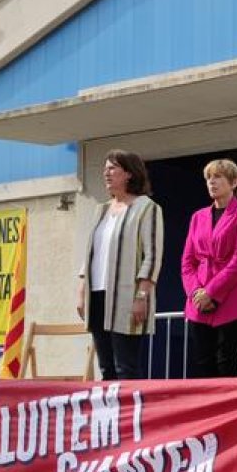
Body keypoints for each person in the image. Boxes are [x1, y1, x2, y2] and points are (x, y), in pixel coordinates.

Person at [77, 149, 164, 380]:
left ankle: (130, 415)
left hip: (127, 297)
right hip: (97, 296)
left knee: (126, 367)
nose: (106, 172)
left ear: (128, 173)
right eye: (105, 168)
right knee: (106, 368)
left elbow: (153, 255)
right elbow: (90, 254)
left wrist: (142, 296)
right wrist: (82, 290)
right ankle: (109, 415)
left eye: (112, 168)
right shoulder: (101, 210)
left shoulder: (147, 208)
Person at [181, 159, 237, 378]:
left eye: (218, 177)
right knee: (202, 365)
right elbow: (187, 262)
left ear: (234, 182)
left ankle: (231, 412)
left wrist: (212, 292)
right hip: (198, 302)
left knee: (226, 363)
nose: (211, 182)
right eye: (208, 178)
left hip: (232, 298)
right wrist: (196, 292)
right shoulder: (198, 217)